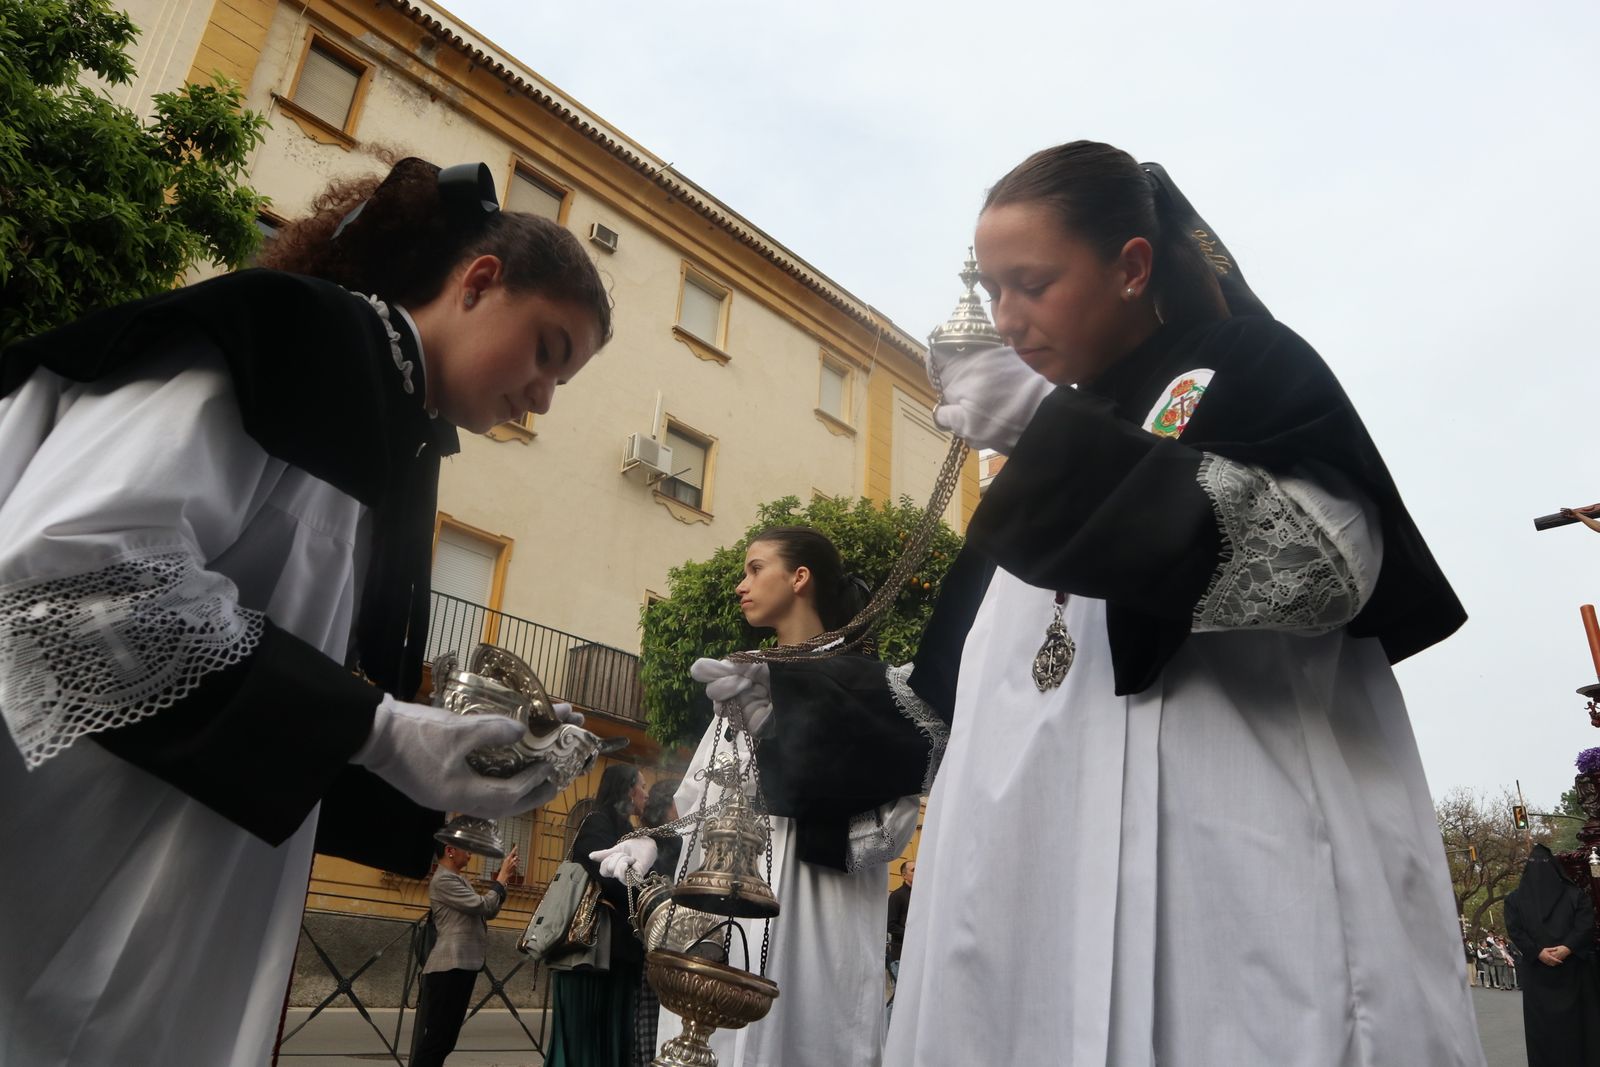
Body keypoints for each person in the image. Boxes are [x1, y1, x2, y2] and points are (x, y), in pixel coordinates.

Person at [0, 156, 611, 1065]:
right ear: (480, 282)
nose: (544, 397)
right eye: (548, 349)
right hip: (73, 849)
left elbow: (292, 678)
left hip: (187, 868)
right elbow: (70, 572)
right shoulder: (298, 336)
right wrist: (375, 729)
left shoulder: (391, 424)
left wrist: (439, 771)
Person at [883, 141, 1483, 1066]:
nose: (1007, 321)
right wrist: (800, 699)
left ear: (1131, 265)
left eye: (1033, 284)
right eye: (993, 290)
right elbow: (941, 693)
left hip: (1230, 844)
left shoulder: (1246, 364)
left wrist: (1060, 442)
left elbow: (1320, 570)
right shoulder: (1036, 440)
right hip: (1027, 869)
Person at [597, 526, 943, 1067]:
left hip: (814, 917)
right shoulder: (741, 683)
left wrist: (795, 765)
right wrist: (656, 847)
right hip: (719, 921)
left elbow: (889, 831)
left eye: (756, 568)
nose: (742, 584)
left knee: (799, 1042)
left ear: (799, 578)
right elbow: (697, 803)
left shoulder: (872, 689)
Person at [548, 763, 649, 1067]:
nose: (645, 794)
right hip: (589, 951)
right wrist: (643, 889)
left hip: (618, 955)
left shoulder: (630, 831)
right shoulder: (597, 821)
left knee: (612, 1040)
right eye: (642, 786)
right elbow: (608, 878)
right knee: (585, 1042)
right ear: (629, 791)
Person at [414, 820, 519, 1067]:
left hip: (462, 966)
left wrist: (500, 884)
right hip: (448, 967)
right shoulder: (444, 880)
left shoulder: (458, 879)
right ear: (450, 849)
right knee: (437, 1040)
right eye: (465, 845)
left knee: (446, 1040)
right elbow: (483, 905)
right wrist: (501, 877)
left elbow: (488, 910)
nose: (470, 849)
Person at [1505, 844, 1600, 1065]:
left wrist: (1538, 953)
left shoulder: (1514, 899)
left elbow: (1515, 930)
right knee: (1579, 1030)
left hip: (1539, 975)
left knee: (1544, 1035)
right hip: (1574, 972)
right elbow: (1585, 925)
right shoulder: (1575, 894)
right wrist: (1567, 948)